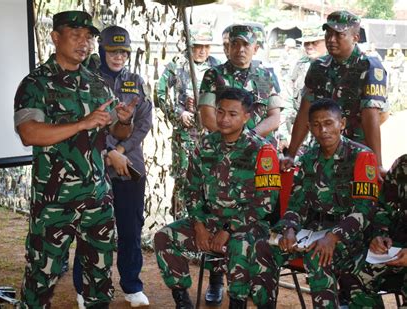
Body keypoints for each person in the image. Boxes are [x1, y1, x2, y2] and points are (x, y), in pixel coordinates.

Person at [14, 11, 136, 308]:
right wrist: (81, 123)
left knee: (100, 280)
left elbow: (114, 132)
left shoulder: (97, 84)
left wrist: (125, 121)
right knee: (40, 281)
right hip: (54, 202)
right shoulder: (36, 84)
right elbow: (29, 133)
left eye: (89, 37)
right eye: (76, 35)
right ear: (55, 37)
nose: (85, 43)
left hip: (96, 198)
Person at [154, 88, 280, 309]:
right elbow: (191, 190)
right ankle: (182, 299)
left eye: (232, 114)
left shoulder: (261, 150)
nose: (224, 119)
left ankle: (237, 302)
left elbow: (265, 203)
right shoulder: (205, 145)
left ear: (247, 117)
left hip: (248, 225)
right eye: (220, 112)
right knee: (164, 237)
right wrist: (199, 225)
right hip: (211, 221)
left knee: (239, 245)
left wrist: (228, 230)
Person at [249, 98, 379, 308]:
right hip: (311, 232)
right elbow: (297, 204)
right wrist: (289, 229)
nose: (323, 130)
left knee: (317, 256)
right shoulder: (308, 159)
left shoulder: (361, 156)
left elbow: (365, 211)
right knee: (263, 248)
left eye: (329, 123)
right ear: (309, 128)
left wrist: (333, 236)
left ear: (342, 124)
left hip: (350, 237)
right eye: (317, 125)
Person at [73, 25, 153, 308]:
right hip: (93, 166)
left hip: (128, 166)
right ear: (102, 50)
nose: (118, 57)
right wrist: (107, 152)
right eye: (112, 51)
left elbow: (144, 123)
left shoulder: (135, 81)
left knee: (130, 228)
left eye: (123, 52)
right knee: (91, 229)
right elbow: (81, 125)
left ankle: (131, 286)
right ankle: (83, 288)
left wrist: (120, 150)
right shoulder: (87, 80)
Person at [281, 11, 388, 175]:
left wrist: (376, 163)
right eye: (328, 33)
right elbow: (305, 111)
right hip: (322, 151)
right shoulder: (318, 67)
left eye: (339, 35)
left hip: (355, 153)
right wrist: (291, 154)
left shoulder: (369, 67)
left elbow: (371, 116)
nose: (331, 39)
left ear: (355, 38)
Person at [156, 24, 220, 218]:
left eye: (206, 46)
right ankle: (179, 221)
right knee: (183, 177)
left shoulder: (217, 67)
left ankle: (205, 221)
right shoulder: (176, 65)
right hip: (186, 133)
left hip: (211, 132)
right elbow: (160, 93)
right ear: (189, 45)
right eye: (197, 46)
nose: (202, 51)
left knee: (210, 176)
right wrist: (178, 113)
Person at [198, 24, 283, 146]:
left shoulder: (265, 77)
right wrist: (231, 140)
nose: (240, 49)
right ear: (228, 47)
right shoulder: (214, 75)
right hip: (223, 149)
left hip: (259, 148)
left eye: (246, 44)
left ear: (255, 49)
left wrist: (248, 139)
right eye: (235, 44)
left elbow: (274, 117)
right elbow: (207, 116)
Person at [348, 154, 407, 307]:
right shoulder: (403, 164)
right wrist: (380, 235)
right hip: (398, 248)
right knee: (353, 273)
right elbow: (384, 208)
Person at [278, 24, 327, 151]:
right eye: (306, 43)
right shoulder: (299, 65)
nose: (309, 46)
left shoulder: (335, 65)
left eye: (314, 42)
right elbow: (287, 101)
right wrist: (283, 135)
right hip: (302, 137)